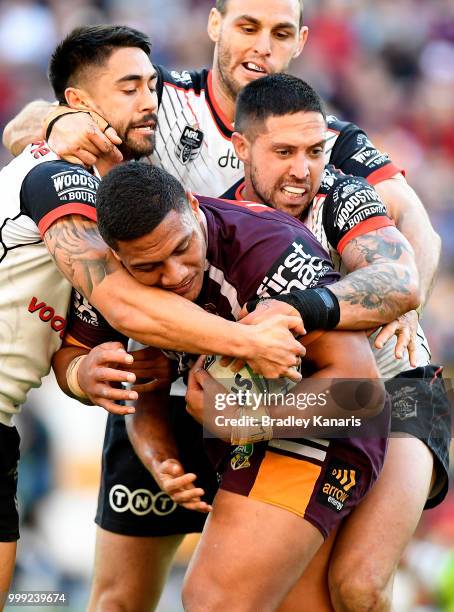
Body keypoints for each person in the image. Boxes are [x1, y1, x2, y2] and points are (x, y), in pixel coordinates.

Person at [2, 0, 442, 607]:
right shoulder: (153, 107)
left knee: (353, 586)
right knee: (125, 597)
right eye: (247, 26)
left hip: (357, 384)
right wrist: (55, 126)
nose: (299, 169)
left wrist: (377, 302)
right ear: (215, 26)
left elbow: (406, 246)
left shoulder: (321, 150)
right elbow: (29, 130)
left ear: (302, 40)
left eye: (280, 31)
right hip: (227, 389)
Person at [0, 25, 306, 607]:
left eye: (151, 85)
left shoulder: (299, 136)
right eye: (129, 89)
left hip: (263, 395)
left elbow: (73, 333)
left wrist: (77, 373)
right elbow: (119, 304)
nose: (148, 102)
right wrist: (248, 342)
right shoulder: (61, 177)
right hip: (184, 383)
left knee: (330, 590)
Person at [57, 160, 390, 611]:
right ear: (116, 258)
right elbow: (137, 374)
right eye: (149, 266)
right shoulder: (107, 280)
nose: (174, 275)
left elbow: (363, 396)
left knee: (214, 600)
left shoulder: (268, 251)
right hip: (233, 431)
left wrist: (242, 419)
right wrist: (88, 380)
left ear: (194, 208)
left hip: (334, 423)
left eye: (181, 249)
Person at [220, 73, 451, 610]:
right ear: (240, 147)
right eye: (283, 151)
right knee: (301, 597)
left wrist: (297, 310)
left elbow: (399, 280)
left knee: (360, 584)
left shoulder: (345, 193)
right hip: (313, 407)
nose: (302, 169)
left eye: (314, 150)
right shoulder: (222, 222)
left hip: (400, 392)